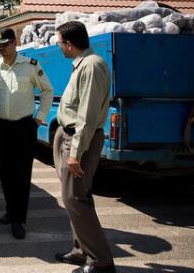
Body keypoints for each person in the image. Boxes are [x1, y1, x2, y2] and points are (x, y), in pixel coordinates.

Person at [0, 28, 53, 239]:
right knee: (5, 172)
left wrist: (40, 117)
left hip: (23, 128)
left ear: (14, 43)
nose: (1, 48)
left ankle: (19, 219)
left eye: (4, 44)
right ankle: (10, 210)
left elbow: (48, 90)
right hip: (0, 127)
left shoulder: (30, 66)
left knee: (21, 174)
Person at [53, 21, 115, 273]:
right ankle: (81, 251)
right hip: (70, 136)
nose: (59, 47)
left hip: (80, 140)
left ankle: (101, 262)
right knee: (74, 197)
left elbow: (87, 116)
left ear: (69, 44)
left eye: (59, 43)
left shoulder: (91, 66)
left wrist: (75, 153)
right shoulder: (83, 64)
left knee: (75, 198)